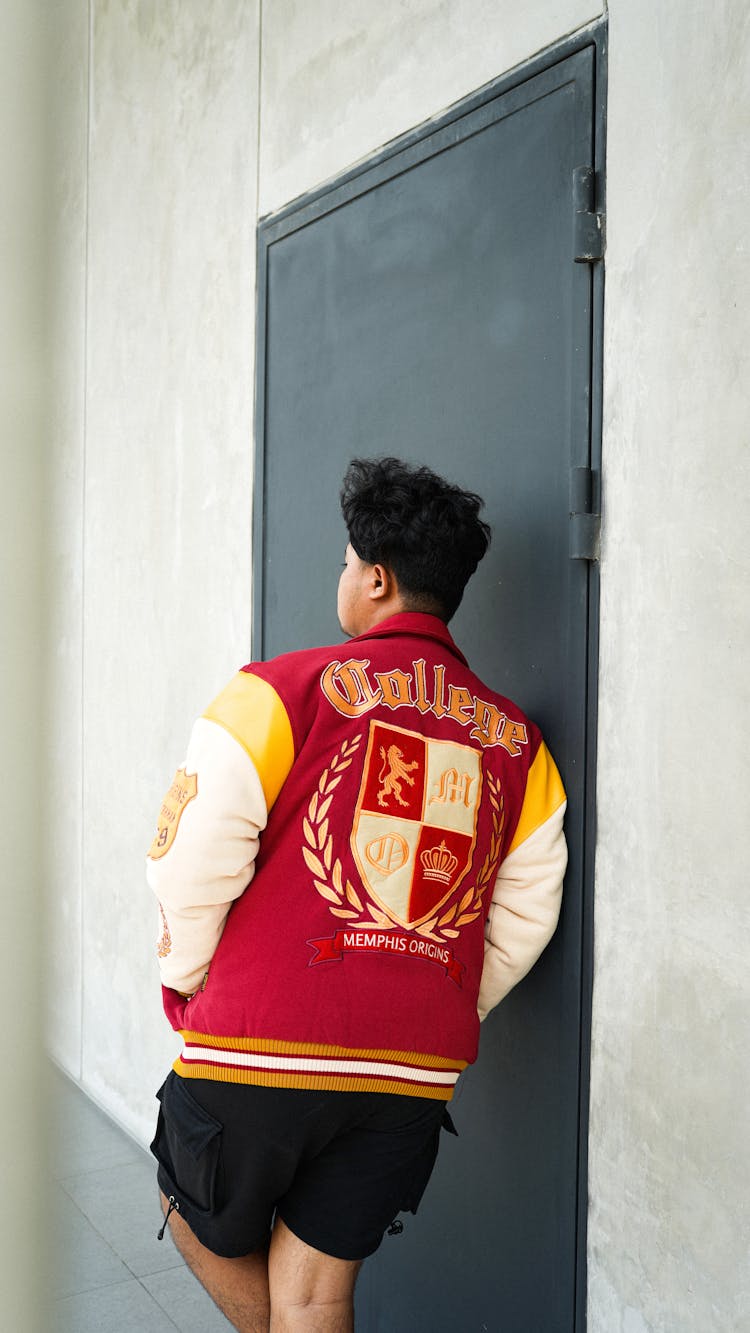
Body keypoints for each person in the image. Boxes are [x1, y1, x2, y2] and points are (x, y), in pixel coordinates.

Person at [147, 456, 567, 1332]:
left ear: (375, 578)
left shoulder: (275, 692)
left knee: (187, 1202)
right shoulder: (520, 744)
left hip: (259, 1043)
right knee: (316, 1290)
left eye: (346, 561)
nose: (342, 576)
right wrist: (435, 998)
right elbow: (527, 915)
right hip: (413, 1069)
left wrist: (188, 977)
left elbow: (190, 857)